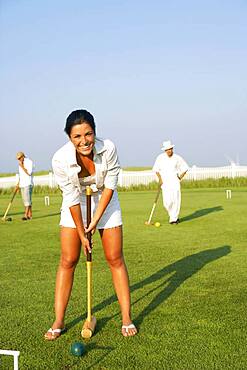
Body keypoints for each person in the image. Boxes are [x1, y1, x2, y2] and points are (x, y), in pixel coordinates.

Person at [44, 109, 137, 340]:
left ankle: (126, 317)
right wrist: (82, 232)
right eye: (77, 136)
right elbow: (70, 197)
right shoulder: (60, 159)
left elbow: (110, 186)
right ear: (69, 137)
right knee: (68, 259)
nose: (84, 141)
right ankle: (59, 320)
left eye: (88, 134)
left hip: (106, 201)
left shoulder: (109, 149)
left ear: (95, 132)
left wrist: (95, 221)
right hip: (76, 201)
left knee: (115, 258)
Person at [152, 140, 189, 224]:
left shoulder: (177, 158)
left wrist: (180, 177)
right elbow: (156, 170)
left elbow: (185, 168)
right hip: (165, 183)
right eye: (167, 149)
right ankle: (173, 215)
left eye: (170, 149)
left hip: (175, 182)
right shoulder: (160, 158)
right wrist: (160, 179)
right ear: (165, 150)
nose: (169, 151)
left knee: (176, 200)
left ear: (172, 148)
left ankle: (173, 219)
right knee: (167, 203)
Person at [16, 151, 34, 220]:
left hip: (28, 183)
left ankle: (25, 216)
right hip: (22, 184)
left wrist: (22, 166)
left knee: (27, 200)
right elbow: (21, 175)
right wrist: (18, 184)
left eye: (20, 158)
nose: (19, 159)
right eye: (18, 159)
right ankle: (30, 215)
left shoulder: (29, 162)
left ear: (23, 156)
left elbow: (29, 173)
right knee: (26, 200)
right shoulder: (20, 163)